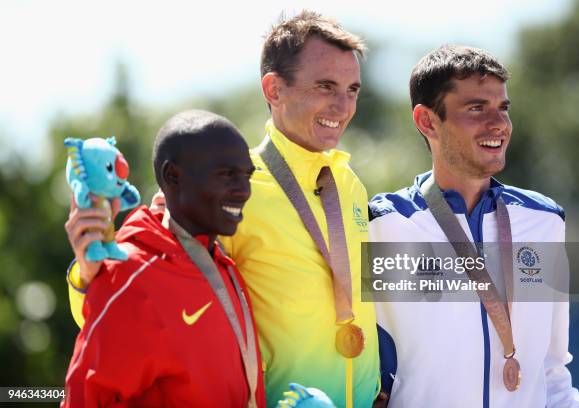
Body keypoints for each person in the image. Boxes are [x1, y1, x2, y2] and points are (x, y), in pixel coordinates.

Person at [64, 11, 380, 408]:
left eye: (352, 89)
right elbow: (138, 294)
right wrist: (86, 275)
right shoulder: (226, 189)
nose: (343, 105)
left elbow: (372, 295)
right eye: (326, 86)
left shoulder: (350, 183)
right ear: (274, 89)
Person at [369, 45, 579, 407]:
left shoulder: (544, 221)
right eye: (476, 108)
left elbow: (551, 375)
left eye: (503, 108)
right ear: (427, 121)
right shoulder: (384, 226)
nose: (498, 124)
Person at [62, 110, 266, 407]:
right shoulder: (136, 273)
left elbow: (364, 291)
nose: (244, 190)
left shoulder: (222, 263)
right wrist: (83, 276)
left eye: (246, 175)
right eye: (226, 174)